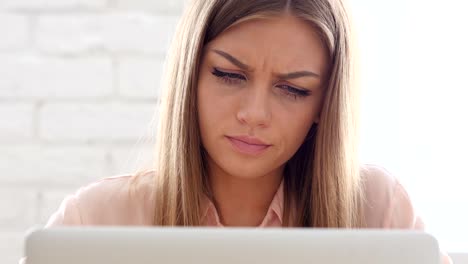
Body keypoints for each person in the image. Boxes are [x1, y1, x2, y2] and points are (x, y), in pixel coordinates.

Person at [21, 0, 452, 263]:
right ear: (190, 75)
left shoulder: (378, 211)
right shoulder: (97, 221)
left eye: (292, 89)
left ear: (324, 103)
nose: (254, 113)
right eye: (229, 75)